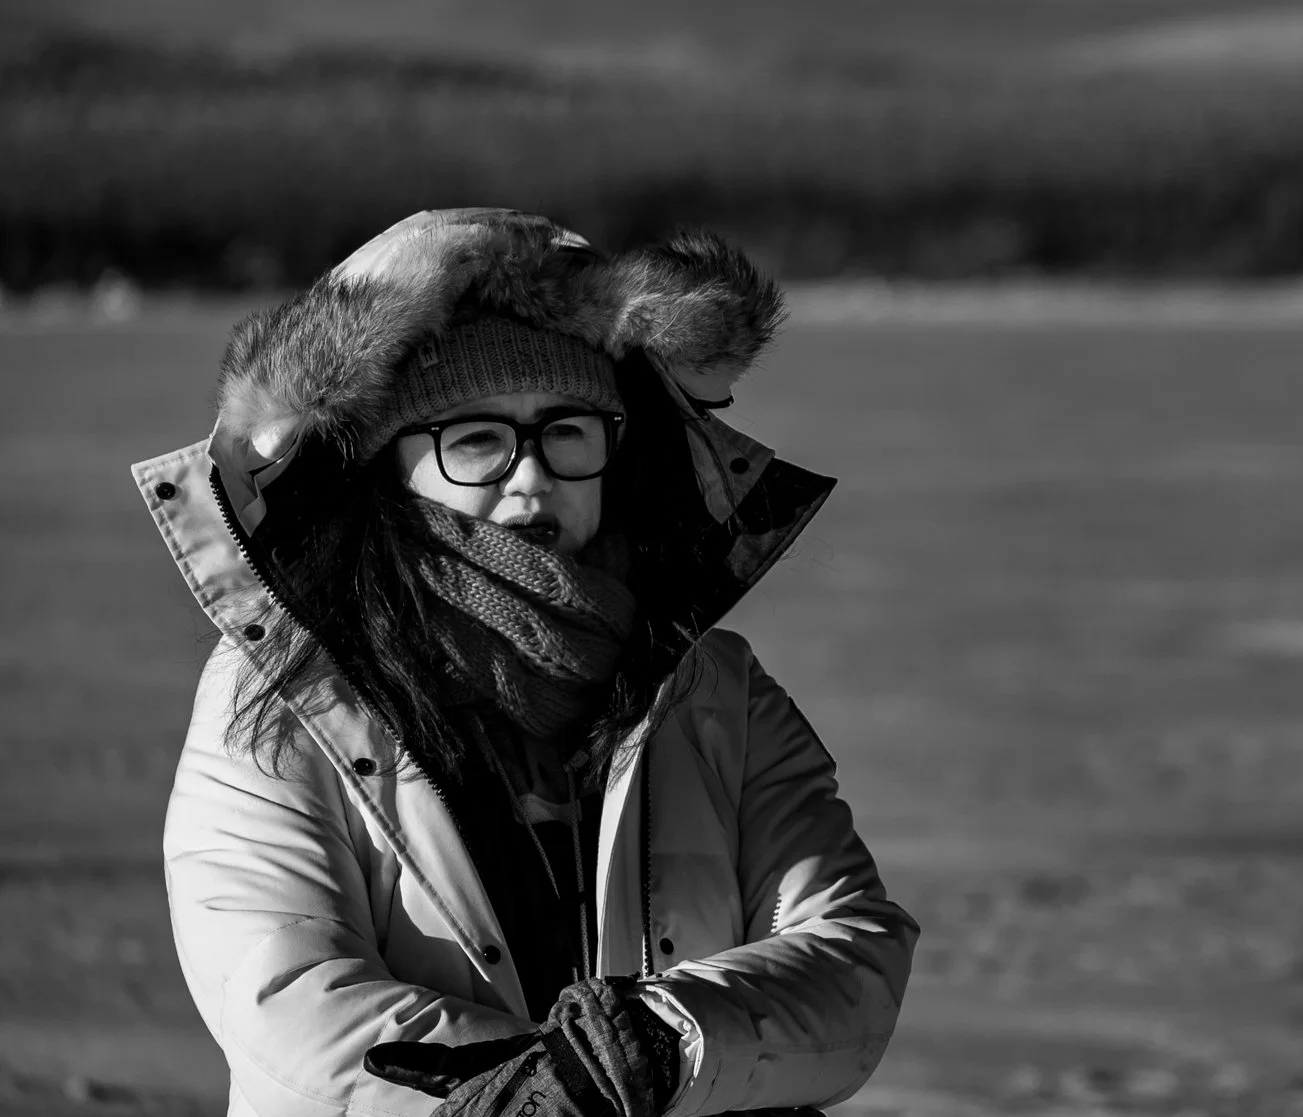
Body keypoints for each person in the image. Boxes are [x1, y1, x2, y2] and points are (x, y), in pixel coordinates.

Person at [133, 209, 917, 1116]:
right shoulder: (286, 693)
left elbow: (851, 949)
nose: (531, 476)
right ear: (390, 469)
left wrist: (666, 1042)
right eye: (475, 441)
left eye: (568, 431)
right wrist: (521, 1096)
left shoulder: (715, 691)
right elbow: (278, 988)